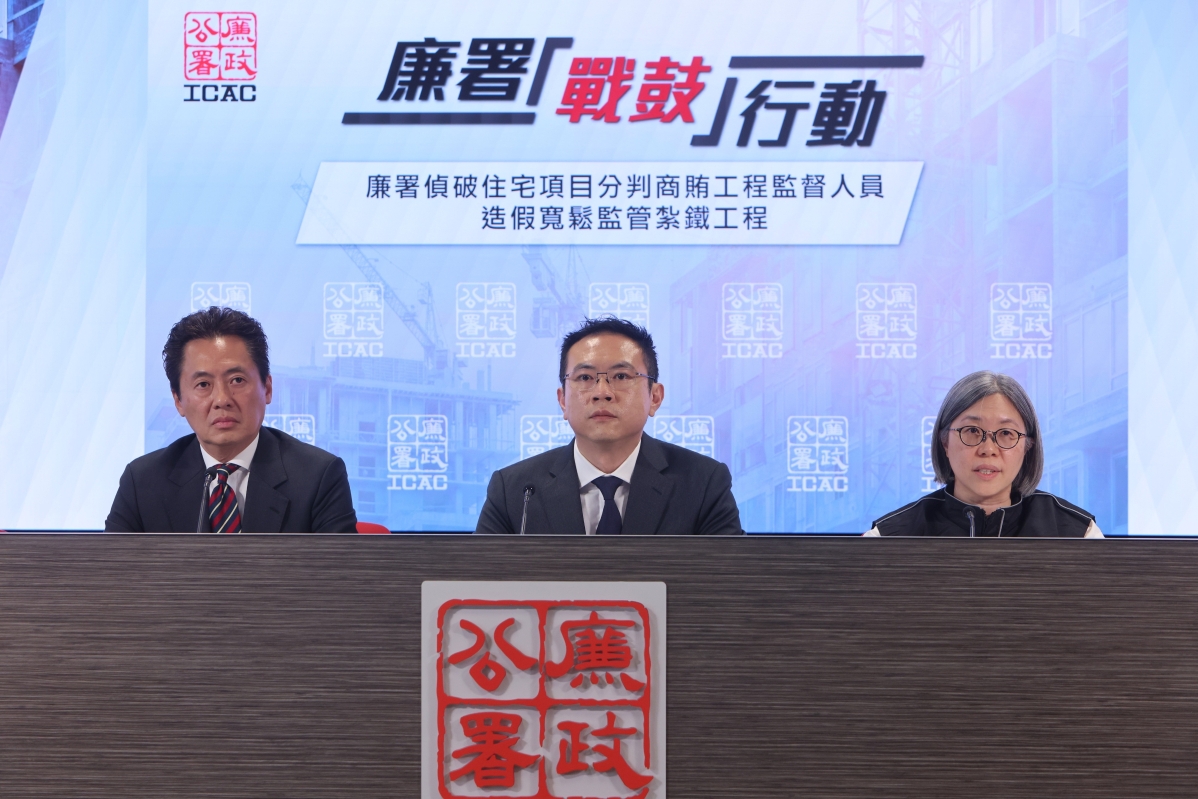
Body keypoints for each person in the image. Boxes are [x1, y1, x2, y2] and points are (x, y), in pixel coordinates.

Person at [476, 317, 742, 535]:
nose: (602, 392)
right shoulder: (514, 491)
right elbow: (478, 580)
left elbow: (730, 579)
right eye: (585, 377)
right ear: (563, 400)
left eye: (621, 376)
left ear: (655, 397)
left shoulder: (703, 483)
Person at [105, 307, 356, 533]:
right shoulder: (142, 482)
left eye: (237, 380)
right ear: (178, 400)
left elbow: (337, 571)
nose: (222, 399)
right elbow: (111, 568)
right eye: (203, 384)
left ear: (267, 388)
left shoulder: (318, 476)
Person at [866, 371, 1100, 537]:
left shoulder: (1078, 533)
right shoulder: (889, 537)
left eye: (1006, 433)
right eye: (972, 431)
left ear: (1028, 446)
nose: (988, 449)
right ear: (944, 441)